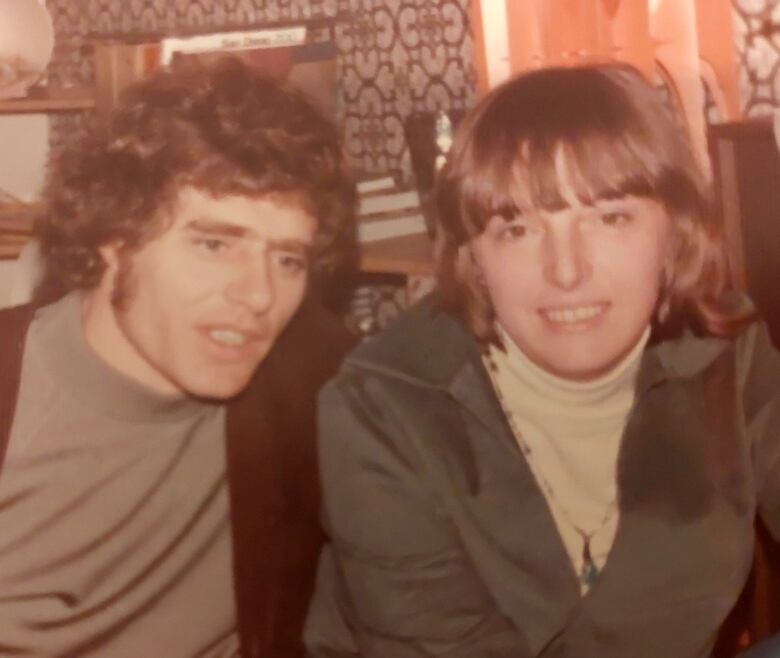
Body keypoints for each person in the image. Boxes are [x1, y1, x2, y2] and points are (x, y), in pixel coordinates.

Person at [304, 63, 780, 657]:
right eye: (517, 229)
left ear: (674, 235)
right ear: (474, 257)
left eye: (610, 218)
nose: (566, 271)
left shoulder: (726, 350)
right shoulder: (383, 408)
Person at [0, 56, 355, 657]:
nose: (258, 295)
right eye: (214, 244)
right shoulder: (14, 391)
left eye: (287, 259)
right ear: (116, 235)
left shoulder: (310, 380)